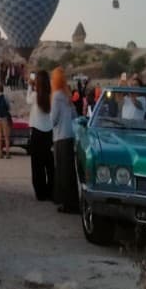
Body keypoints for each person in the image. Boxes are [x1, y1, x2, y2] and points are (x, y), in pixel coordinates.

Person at [50, 67, 78, 213]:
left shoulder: (56, 96)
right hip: (70, 135)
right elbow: (75, 115)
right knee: (69, 171)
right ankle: (72, 201)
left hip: (60, 136)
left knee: (62, 171)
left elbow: (53, 119)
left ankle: (66, 203)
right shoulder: (67, 95)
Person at [27, 69, 54, 201]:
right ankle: (51, 189)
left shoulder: (34, 95)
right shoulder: (51, 96)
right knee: (48, 164)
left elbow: (27, 100)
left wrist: (29, 86)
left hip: (37, 133)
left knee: (37, 165)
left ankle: (40, 192)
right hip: (48, 132)